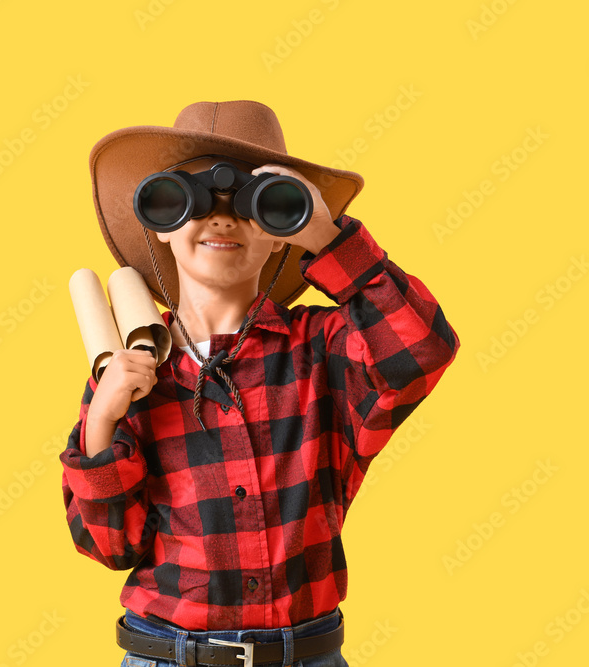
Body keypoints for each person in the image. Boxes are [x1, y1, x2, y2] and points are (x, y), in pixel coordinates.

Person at [59, 100, 460, 667]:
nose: (223, 218)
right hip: (165, 653)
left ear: (280, 233)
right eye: (191, 198)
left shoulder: (323, 350)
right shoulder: (130, 373)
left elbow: (421, 350)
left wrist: (328, 236)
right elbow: (110, 546)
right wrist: (100, 421)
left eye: (256, 203)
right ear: (164, 226)